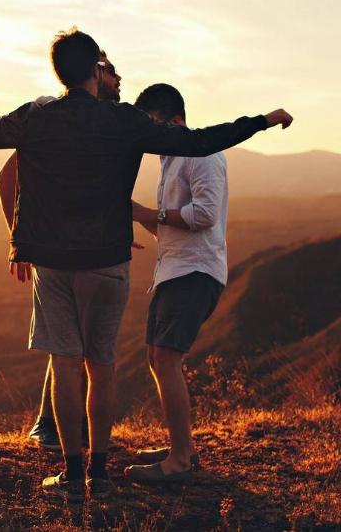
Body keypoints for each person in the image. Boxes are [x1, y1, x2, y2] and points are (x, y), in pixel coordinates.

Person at [0, 28, 292, 503]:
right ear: (95, 71)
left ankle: (72, 474)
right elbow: (201, 141)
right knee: (102, 367)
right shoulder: (124, 120)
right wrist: (261, 120)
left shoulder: (36, 117)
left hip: (53, 261)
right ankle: (99, 472)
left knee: (65, 365)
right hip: (107, 259)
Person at [0, 51, 125, 451]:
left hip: (87, 248)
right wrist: (20, 239)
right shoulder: (52, 116)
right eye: (111, 71)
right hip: (57, 251)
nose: (118, 79)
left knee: (74, 347)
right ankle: (52, 428)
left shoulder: (101, 122)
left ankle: (63, 430)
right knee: (70, 349)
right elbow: (7, 176)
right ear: (93, 73)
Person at [125, 84, 232, 483]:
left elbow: (204, 214)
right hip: (174, 270)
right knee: (157, 358)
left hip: (195, 272)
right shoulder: (171, 159)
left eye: (151, 126)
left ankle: (180, 462)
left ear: (174, 121)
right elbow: (172, 224)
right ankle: (180, 446)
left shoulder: (201, 153)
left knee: (166, 358)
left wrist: (149, 212)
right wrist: (141, 218)